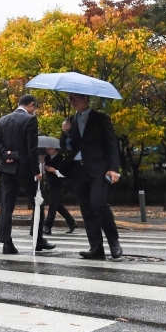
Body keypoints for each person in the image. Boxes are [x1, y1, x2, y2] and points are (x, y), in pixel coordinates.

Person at [60, 93, 122, 260]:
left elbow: (111, 145)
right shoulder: (70, 121)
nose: (72, 100)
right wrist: (65, 132)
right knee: (87, 210)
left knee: (99, 204)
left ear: (86, 98)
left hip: (99, 169)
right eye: (70, 97)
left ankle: (114, 241)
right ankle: (96, 248)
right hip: (78, 171)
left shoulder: (101, 118)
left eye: (75, 97)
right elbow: (65, 148)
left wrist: (113, 168)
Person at [0, 94, 55, 254]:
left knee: (6, 206)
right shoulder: (30, 120)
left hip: (7, 168)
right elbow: (31, 148)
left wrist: (5, 154)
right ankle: (38, 239)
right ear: (31, 105)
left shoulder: (3, 120)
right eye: (35, 108)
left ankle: (7, 243)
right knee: (38, 203)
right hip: (25, 169)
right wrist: (36, 171)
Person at [43, 147, 77, 234]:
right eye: (47, 149)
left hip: (60, 184)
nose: (48, 150)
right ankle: (72, 222)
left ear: (55, 149)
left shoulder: (61, 158)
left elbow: (64, 173)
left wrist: (55, 171)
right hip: (51, 185)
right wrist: (42, 164)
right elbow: (43, 171)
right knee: (57, 205)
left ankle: (48, 225)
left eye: (50, 149)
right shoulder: (46, 158)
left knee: (53, 205)